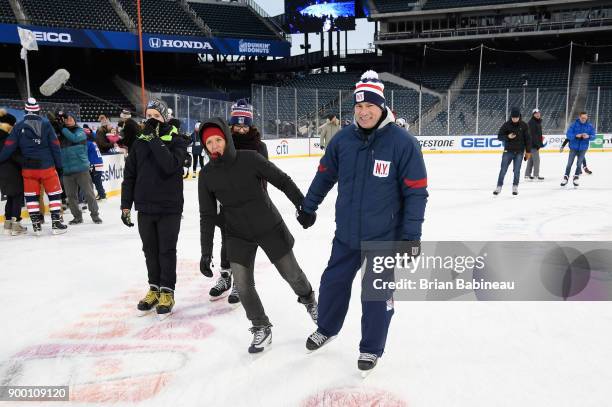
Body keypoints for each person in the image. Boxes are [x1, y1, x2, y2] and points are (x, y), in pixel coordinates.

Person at [299, 70, 428, 372]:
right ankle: (327, 328)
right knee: (332, 283)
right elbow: (324, 175)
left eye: (369, 105)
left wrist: (412, 236)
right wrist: (309, 205)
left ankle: (371, 348)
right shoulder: (343, 139)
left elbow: (416, 193)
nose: (364, 111)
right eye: (358, 106)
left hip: (384, 235)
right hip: (347, 233)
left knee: (376, 294)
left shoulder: (403, 143)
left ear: (382, 106)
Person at [198, 118, 317, 354]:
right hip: (237, 234)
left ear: (227, 140)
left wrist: (303, 206)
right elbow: (207, 215)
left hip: (268, 226)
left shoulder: (249, 159)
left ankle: (310, 302)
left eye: (218, 140)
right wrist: (206, 252)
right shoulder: (207, 175)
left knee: (293, 275)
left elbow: (282, 181)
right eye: (209, 142)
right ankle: (260, 325)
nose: (214, 146)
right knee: (242, 285)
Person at [121, 99, 188, 317]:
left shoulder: (176, 141)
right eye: (148, 116)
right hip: (145, 208)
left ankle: (167, 291)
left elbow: (169, 165)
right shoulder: (139, 142)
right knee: (149, 250)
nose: (151, 120)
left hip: (169, 207)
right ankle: (154, 288)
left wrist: (153, 139)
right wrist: (125, 205)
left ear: (165, 119)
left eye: (156, 117)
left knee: (166, 251)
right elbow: (129, 176)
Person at [207, 99, 268, 304]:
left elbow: (265, 176)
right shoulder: (222, 144)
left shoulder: (259, 147)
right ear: (231, 125)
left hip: (251, 205)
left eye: (245, 125)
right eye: (237, 125)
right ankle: (225, 276)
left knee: (245, 245)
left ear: (250, 125)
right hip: (226, 203)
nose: (241, 130)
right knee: (226, 240)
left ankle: (240, 283)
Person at [0, 98, 67, 235]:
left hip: (28, 169)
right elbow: (55, 146)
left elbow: (9, 147)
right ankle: (56, 225)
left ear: (25, 110)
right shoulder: (46, 124)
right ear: (37, 110)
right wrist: (59, 165)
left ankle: (36, 227)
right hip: (47, 166)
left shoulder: (18, 126)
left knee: (31, 197)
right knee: (54, 195)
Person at [54, 112, 102, 224]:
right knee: (71, 196)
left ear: (75, 121)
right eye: (66, 119)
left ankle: (95, 215)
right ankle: (77, 217)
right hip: (67, 170)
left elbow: (74, 138)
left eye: (71, 118)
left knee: (89, 194)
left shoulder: (80, 131)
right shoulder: (61, 133)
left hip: (81, 169)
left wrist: (62, 128)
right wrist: (55, 124)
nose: (69, 120)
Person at [493, 107, 531, 196]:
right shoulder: (506, 125)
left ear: (519, 117)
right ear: (511, 117)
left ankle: (515, 186)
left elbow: (528, 139)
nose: (515, 119)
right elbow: (499, 136)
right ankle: (499, 186)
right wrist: (508, 137)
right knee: (503, 169)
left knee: (517, 170)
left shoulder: (524, 125)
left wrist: (528, 151)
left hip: (519, 152)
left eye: (516, 117)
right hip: (508, 151)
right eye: (513, 117)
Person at [0, 109, 26, 235]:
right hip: (12, 170)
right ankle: (16, 225)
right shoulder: (8, 137)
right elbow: (14, 154)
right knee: (16, 196)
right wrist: (26, 161)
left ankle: (8, 224)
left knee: (10, 197)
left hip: (2, 172)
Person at [561, 112, 595, 187]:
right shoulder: (574, 125)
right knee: (569, 163)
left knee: (579, 164)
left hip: (583, 148)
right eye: (582, 118)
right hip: (573, 147)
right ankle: (566, 177)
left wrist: (588, 136)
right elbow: (568, 135)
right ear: (579, 117)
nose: (584, 119)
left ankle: (576, 177)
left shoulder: (590, 126)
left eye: (585, 118)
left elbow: (594, 136)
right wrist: (575, 136)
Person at [86, 127, 106, 200]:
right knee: (96, 180)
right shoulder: (93, 143)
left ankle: (102, 194)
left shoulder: (88, 144)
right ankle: (102, 194)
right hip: (98, 163)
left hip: (95, 164)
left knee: (96, 181)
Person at [524, 108, 544, 181]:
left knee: (531, 160)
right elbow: (532, 135)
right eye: (536, 113)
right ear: (533, 115)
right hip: (532, 145)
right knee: (536, 160)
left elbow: (537, 134)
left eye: (539, 113)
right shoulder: (532, 123)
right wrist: (537, 144)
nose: (538, 114)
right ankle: (536, 175)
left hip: (532, 144)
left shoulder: (536, 122)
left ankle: (527, 175)